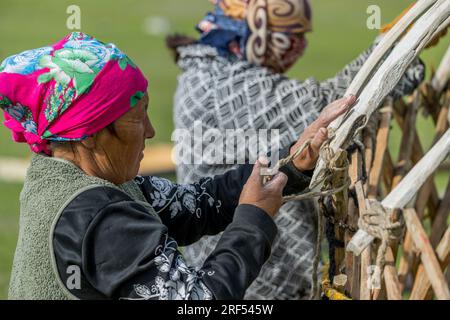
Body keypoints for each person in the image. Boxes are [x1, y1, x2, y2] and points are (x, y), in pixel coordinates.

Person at [1, 32, 352, 300]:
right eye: (137, 120)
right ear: (90, 135)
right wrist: (254, 220)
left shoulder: (72, 173)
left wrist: (293, 161)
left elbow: (198, 205)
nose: (152, 131)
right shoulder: (97, 217)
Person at [168, 0, 425, 299]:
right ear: (256, 28)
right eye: (287, 34)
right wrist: (399, 43)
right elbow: (331, 102)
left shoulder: (213, 73)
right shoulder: (220, 86)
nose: (298, 46)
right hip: (252, 287)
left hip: (253, 273)